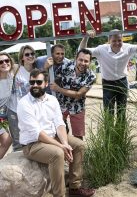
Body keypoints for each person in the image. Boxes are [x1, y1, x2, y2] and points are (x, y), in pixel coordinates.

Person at [17, 69, 95, 197]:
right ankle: (59, 195)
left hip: (52, 137)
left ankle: (75, 188)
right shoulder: (24, 103)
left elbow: (60, 124)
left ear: (46, 83)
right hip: (33, 144)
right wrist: (61, 146)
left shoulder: (52, 100)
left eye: (38, 82)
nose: (35, 85)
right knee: (57, 154)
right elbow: (38, 133)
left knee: (79, 145)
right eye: (32, 82)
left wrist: (65, 143)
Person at [79, 29, 137, 121]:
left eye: (119, 40)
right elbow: (82, 51)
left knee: (122, 112)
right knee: (108, 113)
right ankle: (109, 134)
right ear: (109, 40)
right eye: (114, 41)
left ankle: (120, 135)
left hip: (122, 82)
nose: (117, 43)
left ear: (122, 39)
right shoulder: (101, 49)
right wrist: (86, 37)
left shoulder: (128, 48)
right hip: (107, 83)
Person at [49, 49, 96, 140]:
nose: (82, 63)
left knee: (78, 135)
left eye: (86, 61)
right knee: (59, 132)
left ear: (90, 62)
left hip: (77, 106)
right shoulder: (65, 66)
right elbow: (53, 77)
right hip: (61, 104)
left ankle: (78, 152)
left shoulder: (91, 76)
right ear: (76, 59)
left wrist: (59, 89)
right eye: (80, 60)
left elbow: (79, 94)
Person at [7, 45, 36, 151]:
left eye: (32, 54)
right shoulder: (16, 68)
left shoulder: (36, 72)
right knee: (17, 141)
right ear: (22, 57)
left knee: (31, 137)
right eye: (27, 54)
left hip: (29, 109)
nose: (30, 56)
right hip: (14, 109)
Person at [0, 53, 13, 159]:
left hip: (5, 116)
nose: (4, 63)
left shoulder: (12, 76)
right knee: (7, 140)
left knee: (7, 141)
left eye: (7, 61)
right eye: (1, 62)